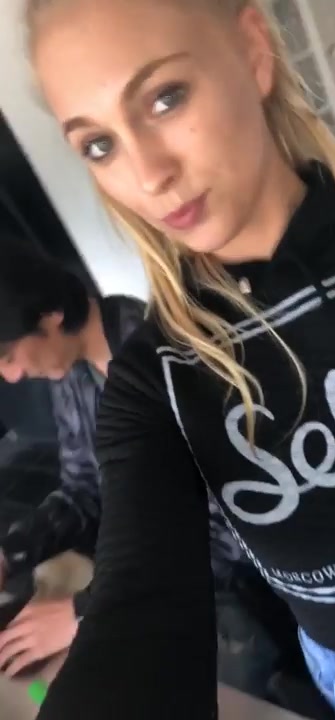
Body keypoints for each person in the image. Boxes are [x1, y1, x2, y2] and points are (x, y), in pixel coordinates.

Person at [23, 0, 335, 718]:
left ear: (254, 51)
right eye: (98, 144)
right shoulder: (156, 378)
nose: (149, 174)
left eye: (165, 98)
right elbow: (142, 604)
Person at [0, 238, 145, 676]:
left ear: (51, 316)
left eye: (8, 356)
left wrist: (86, 611)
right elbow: (82, 490)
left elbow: (220, 532)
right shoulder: (69, 368)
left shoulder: (159, 356)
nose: (12, 377)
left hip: (224, 585)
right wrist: (11, 551)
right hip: (133, 568)